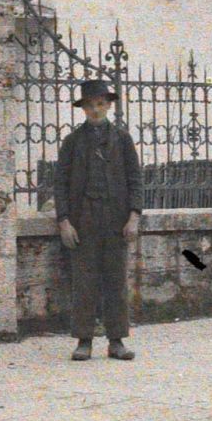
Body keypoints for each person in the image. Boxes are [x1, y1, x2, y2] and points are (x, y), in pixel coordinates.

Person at [51, 77, 144, 362]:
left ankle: (116, 341)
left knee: (116, 280)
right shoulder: (72, 142)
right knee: (84, 280)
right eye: (90, 105)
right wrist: (64, 222)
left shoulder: (123, 139)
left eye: (100, 104)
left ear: (109, 106)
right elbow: (60, 184)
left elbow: (135, 180)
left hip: (116, 219)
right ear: (83, 109)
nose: (95, 110)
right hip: (84, 219)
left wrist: (134, 217)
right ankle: (84, 341)